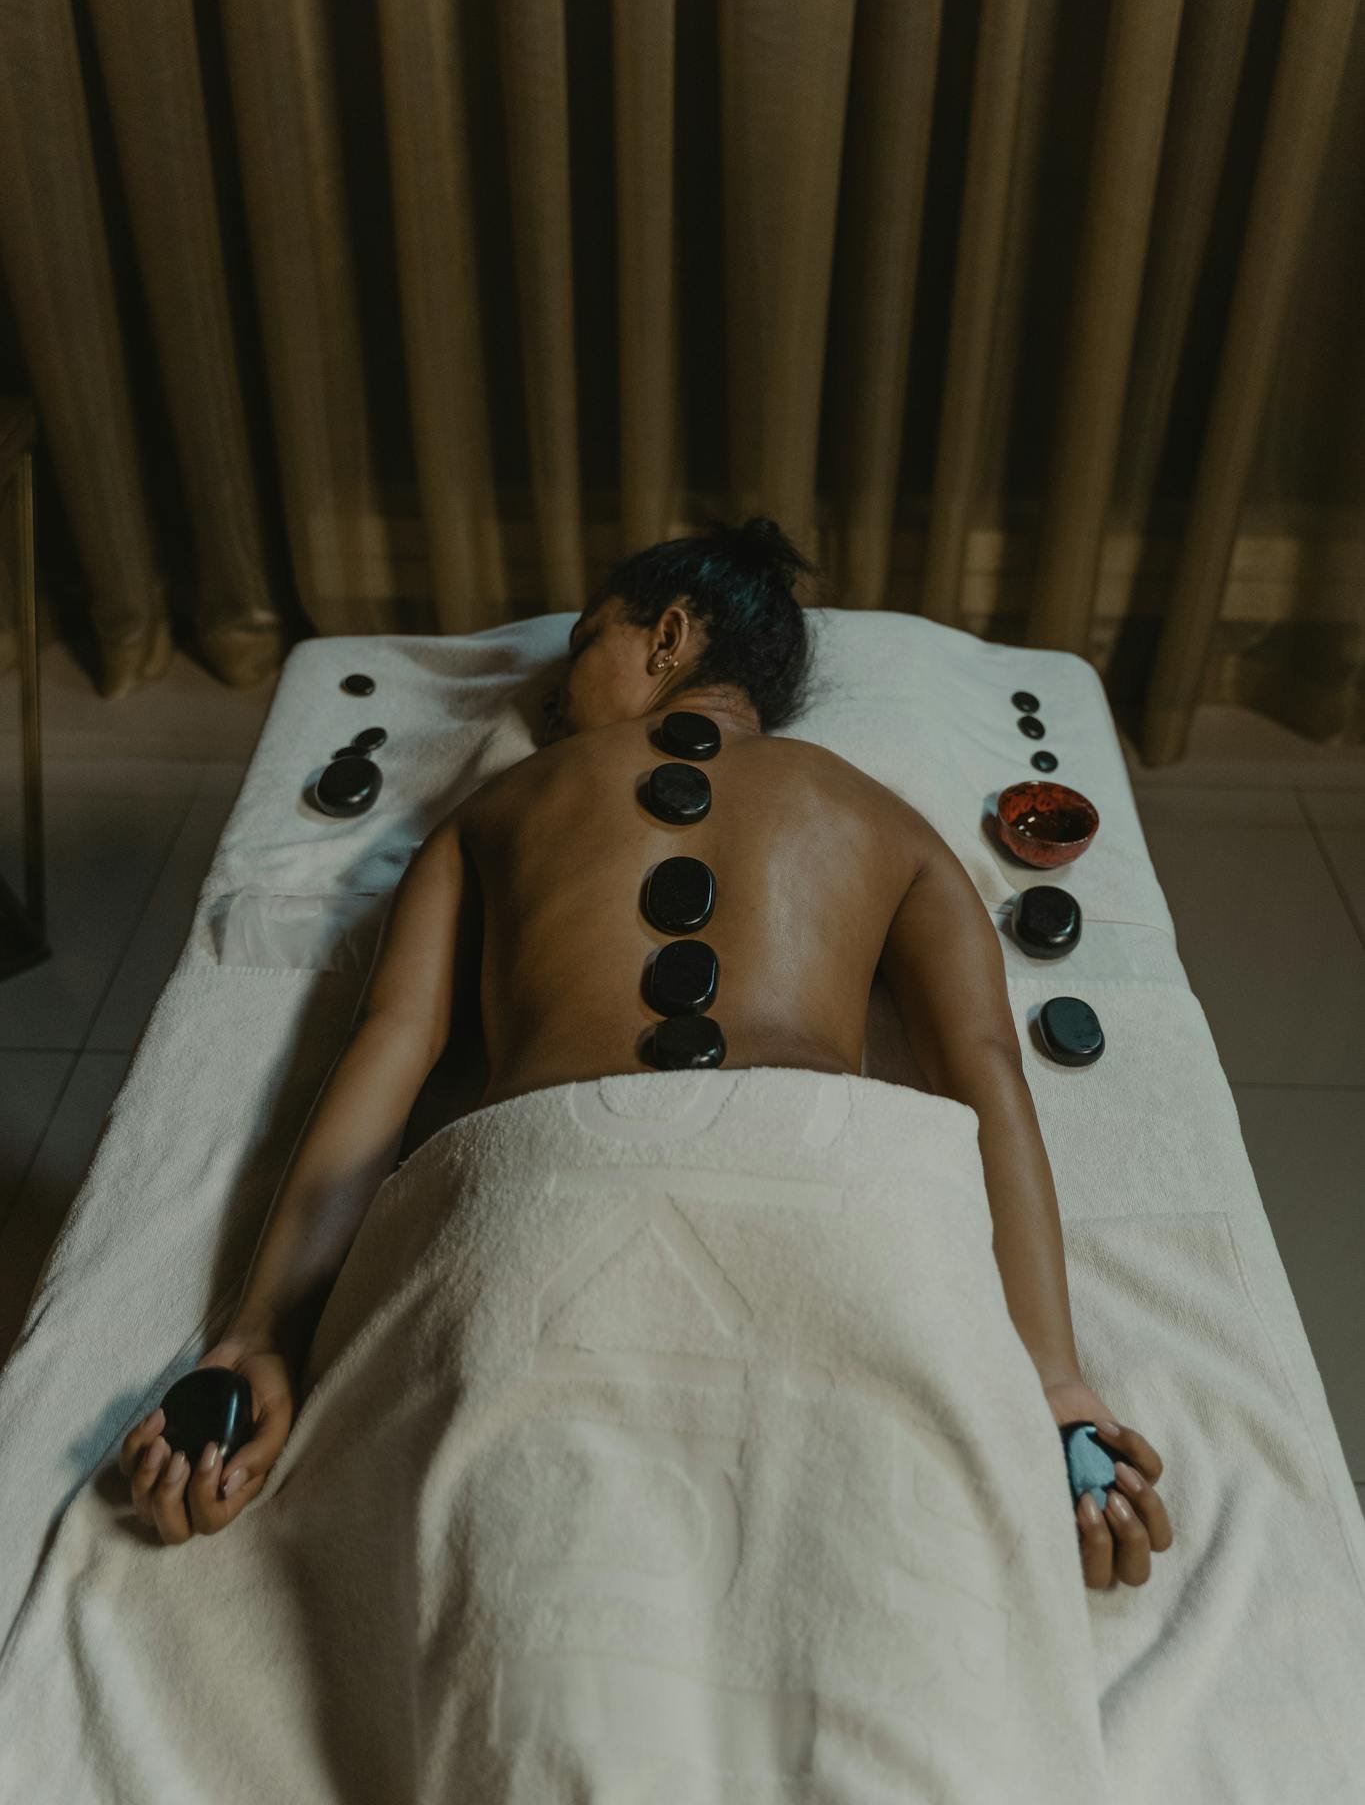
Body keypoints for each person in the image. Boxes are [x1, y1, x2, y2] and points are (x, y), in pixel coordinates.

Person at [119, 515, 1172, 1588]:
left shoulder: (491, 809)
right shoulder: (885, 818)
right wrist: (1053, 1379)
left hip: (546, 1187)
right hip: (839, 1200)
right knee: (881, 1574)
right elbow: (985, 1068)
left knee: (520, 1584)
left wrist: (262, 1331)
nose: (547, 695)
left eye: (582, 643)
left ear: (668, 636)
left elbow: (388, 1054)